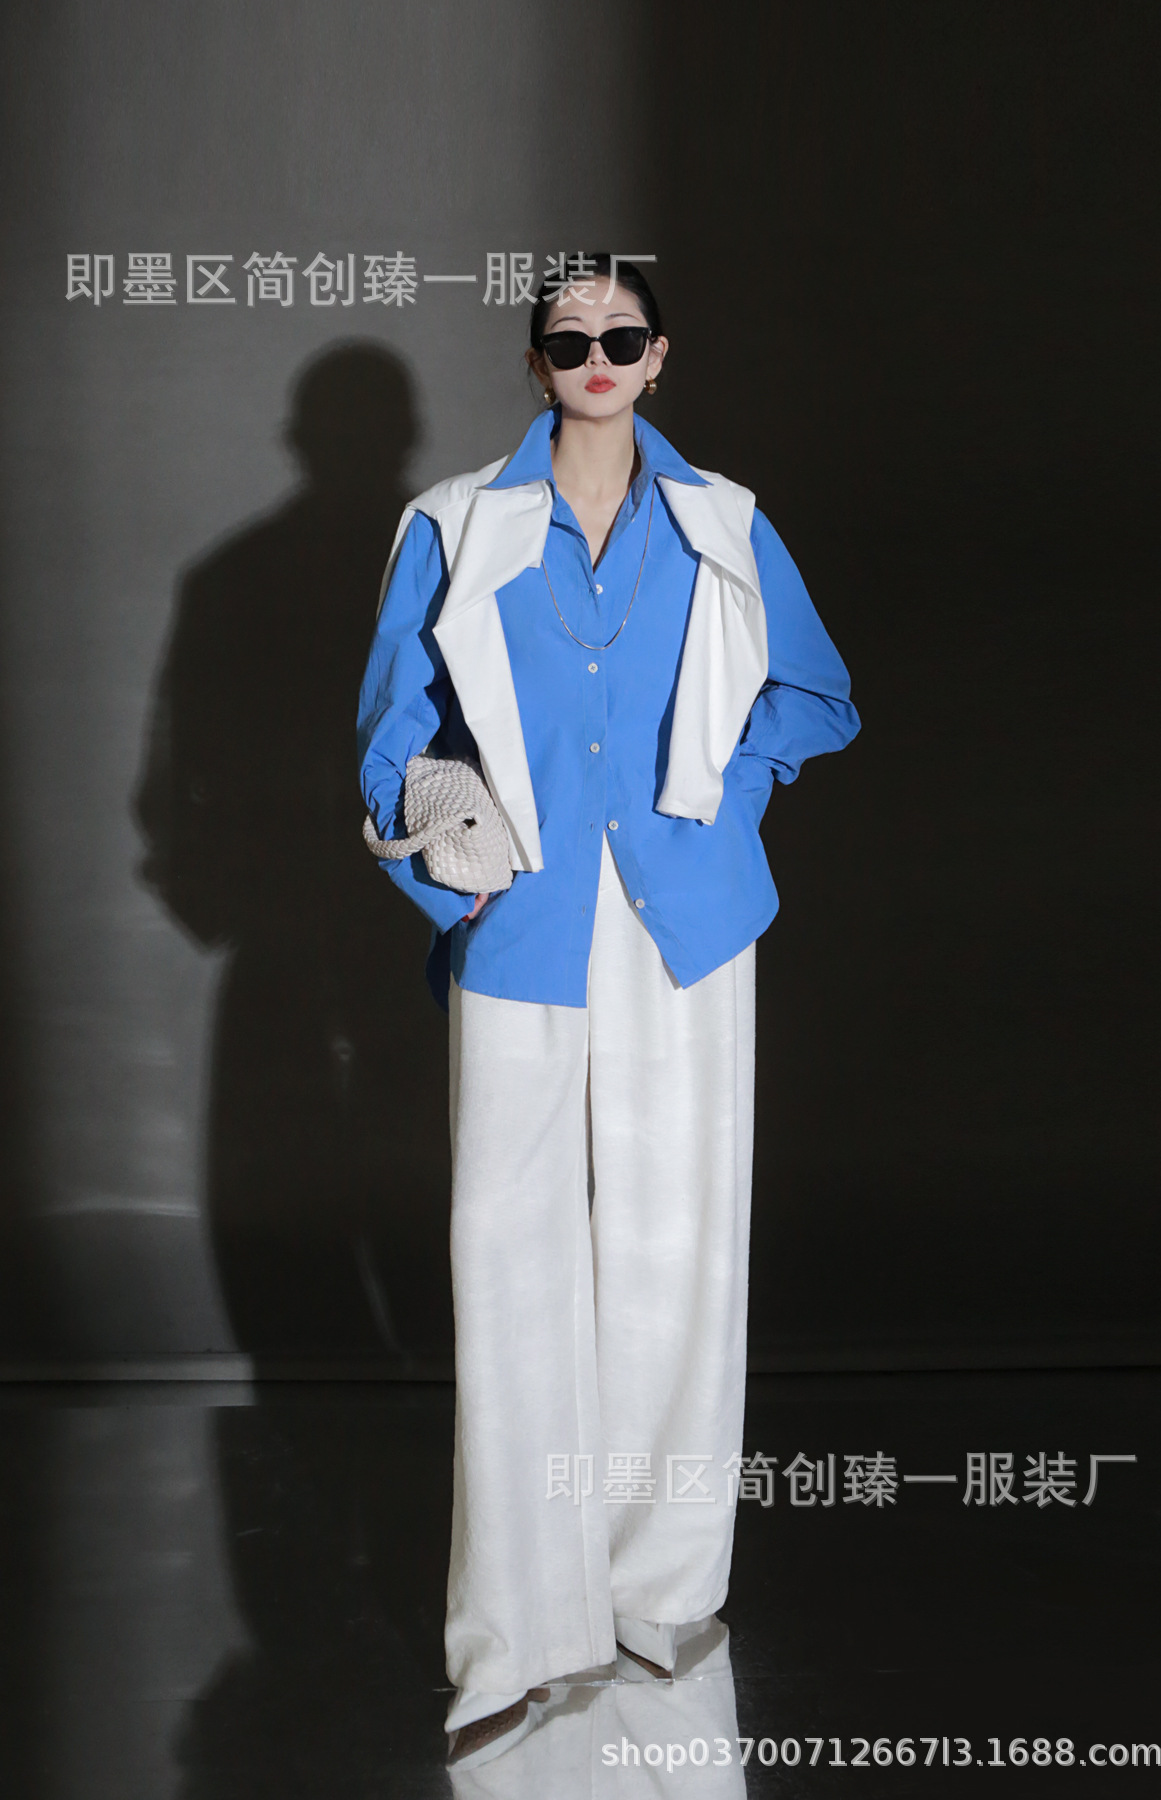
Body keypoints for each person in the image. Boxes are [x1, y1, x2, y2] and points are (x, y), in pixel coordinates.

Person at [357, 255, 860, 1767]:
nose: (595, 355)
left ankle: (659, 1587)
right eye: (567, 336)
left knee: (677, 1251)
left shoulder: (725, 522)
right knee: (508, 1258)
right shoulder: (453, 526)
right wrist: (454, 873)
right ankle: (516, 1632)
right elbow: (390, 735)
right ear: (534, 361)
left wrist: (721, 797)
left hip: (685, 928)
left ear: (657, 358)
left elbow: (814, 693)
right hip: (524, 925)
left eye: (620, 335)